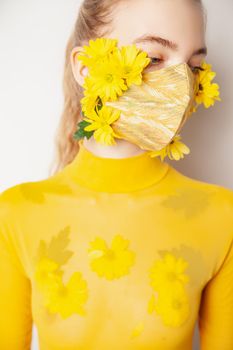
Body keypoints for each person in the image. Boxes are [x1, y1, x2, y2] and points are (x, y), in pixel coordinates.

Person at [0, 0, 232, 349]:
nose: (181, 85)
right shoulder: (17, 213)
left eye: (194, 67)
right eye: (154, 58)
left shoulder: (222, 216)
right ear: (85, 67)